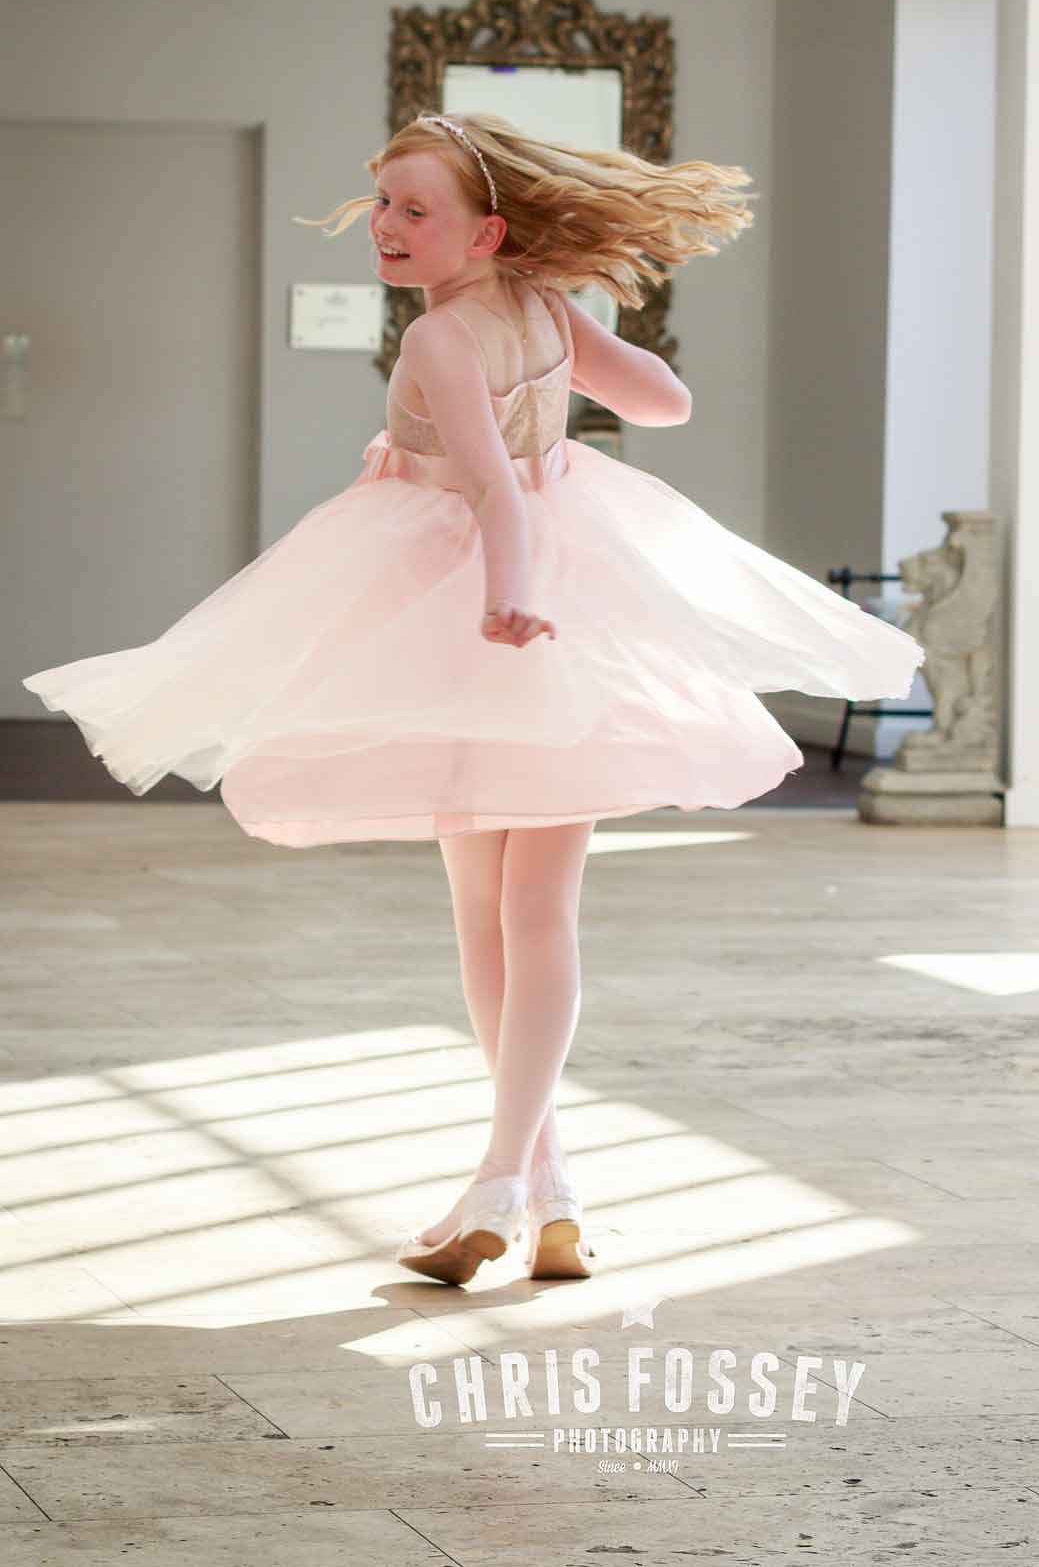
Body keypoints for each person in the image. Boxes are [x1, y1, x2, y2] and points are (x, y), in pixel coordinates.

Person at [22, 110, 925, 1288]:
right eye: (382, 204)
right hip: (573, 604)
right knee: (536, 912)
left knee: (486, 913)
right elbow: (663, 404)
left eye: (415, 210)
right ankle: (547, 1190)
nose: (386, 228)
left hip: (479, 616)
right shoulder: (541, 309)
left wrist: (508, 598)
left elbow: (495, 494)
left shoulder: (441, 339)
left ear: (484, 232)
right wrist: (574, 328)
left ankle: (504, 1174)